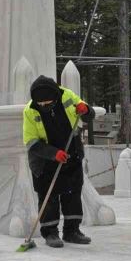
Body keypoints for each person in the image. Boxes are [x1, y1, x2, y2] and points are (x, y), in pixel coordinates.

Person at [23, 76, 95, 248]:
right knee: (49, 197)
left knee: (72, 193)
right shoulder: (30, 110)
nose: (45, 107)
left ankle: (72, 231)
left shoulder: (67, 95)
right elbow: (31, 142)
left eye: (48, 103)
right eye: (41, 104)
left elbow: (87, 115)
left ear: (55, 97)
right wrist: (53, 153)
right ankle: (50, 233)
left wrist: (86, 110)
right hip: (45, 160)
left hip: (71, 153)